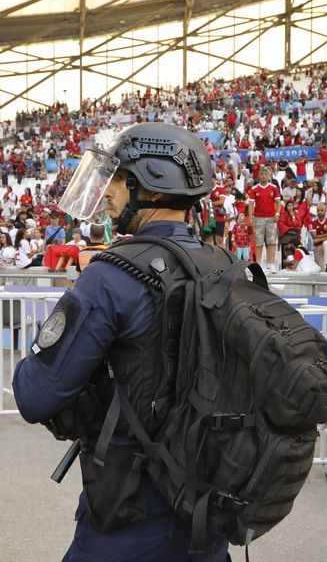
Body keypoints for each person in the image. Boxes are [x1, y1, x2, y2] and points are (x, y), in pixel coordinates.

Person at [12, 122, 230, 560]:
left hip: (131, 504)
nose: (107, 191)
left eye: (116, 178)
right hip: (208, 499)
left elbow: (34, 395)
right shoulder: (225, 266)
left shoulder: (112, 276)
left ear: (150, 183)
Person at [248, 165, 282, 272]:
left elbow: (278, 202)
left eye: (265, 174)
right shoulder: (254, 189)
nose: (263, 176)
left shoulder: (274, 187)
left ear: (269, 175)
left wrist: (277, 214)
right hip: (258, 218)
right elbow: (251, 204)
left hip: (271, 218)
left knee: (271, 241)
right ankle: (258, 264)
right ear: (258, 176)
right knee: (258, 242)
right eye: (261, 174)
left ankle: (271, 263)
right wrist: (250, 218)